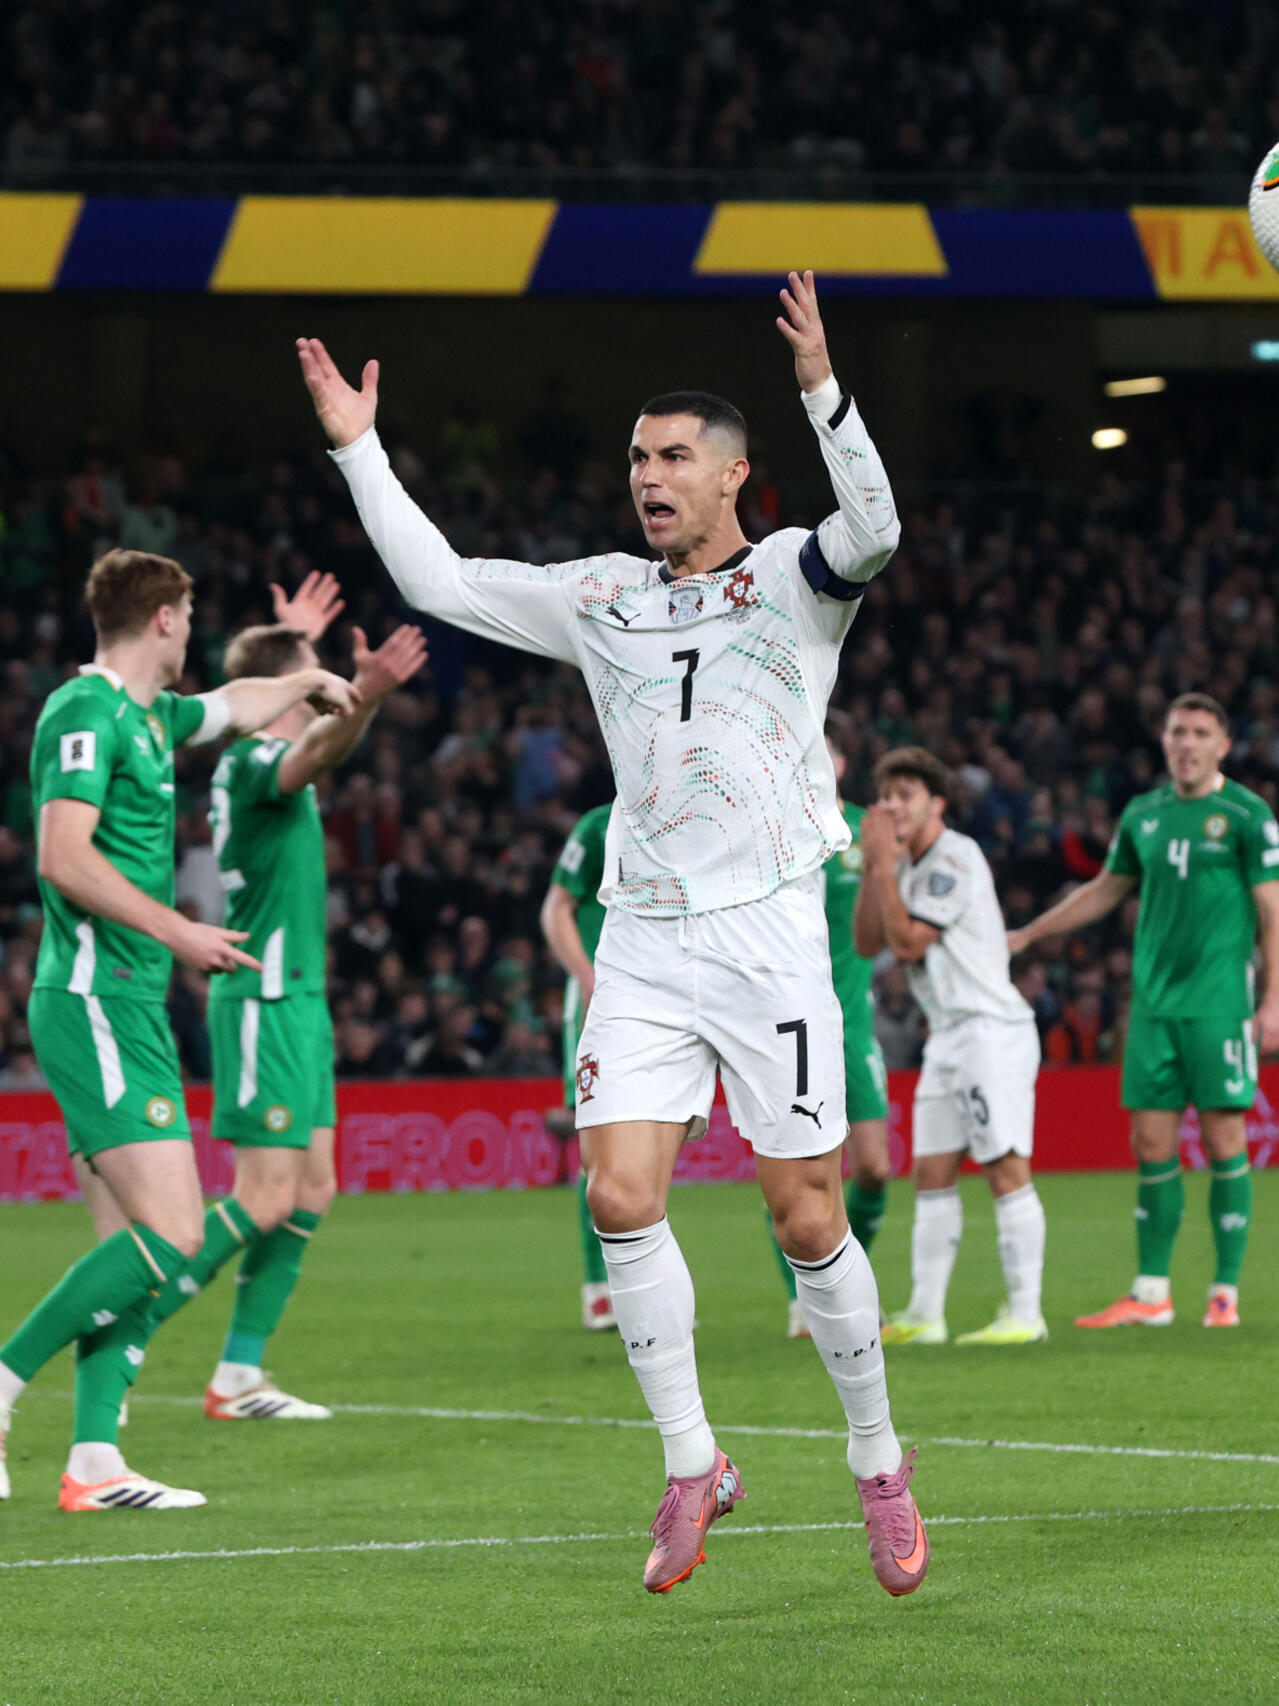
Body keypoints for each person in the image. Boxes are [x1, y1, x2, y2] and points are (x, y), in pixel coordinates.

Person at [297, 268, 929, 1600]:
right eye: (637, 457)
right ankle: (693, 1460)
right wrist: (359, 448)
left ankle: (876, 1459)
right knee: (619, 1196)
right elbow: (438, 578)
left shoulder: (792, 576)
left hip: (768, 934)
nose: (647, 476)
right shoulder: (598, 596)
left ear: (732, 475)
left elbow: (873, 526)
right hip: (642, 936)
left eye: (672, 457)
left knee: (805, 1212)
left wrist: (822, 386)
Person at [0, 548, 359, 1510]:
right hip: (94, 999)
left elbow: (235, 702)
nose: (194, 634)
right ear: (163, 616)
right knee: (173, 1230)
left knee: (129, 1249)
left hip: (126, 1003)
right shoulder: (84, 712)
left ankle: (94, 1461)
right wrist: (177, 930)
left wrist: (306, 677)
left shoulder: (152, 717)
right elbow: (62, 856)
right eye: (189, 617)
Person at [145, 572, 426, 1416]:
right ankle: (118, 1335)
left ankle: (238, 1374)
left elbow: (312, 734)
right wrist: (366, 696)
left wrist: (293, 637)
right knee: (262, 1197)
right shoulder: (252, 761)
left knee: (310, 1193)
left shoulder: (269, 757)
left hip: (299, 1002)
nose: (326, 680)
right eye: (311, 672)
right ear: (284, 690)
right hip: (261, 1003)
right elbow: (316, 752)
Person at [1009, 693, 1279, 1328]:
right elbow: (1106, 890)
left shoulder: (1247, 815)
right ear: (1164, 741)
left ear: (1223, 745)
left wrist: (1273, 1000)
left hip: (1219, 1005)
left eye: (1201, 733)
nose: (1187, 743)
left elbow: (1273, 912)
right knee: (1150, 1142)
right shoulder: (1144, 814)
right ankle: (1152, 1292)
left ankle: (1224, 1294)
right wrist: (1030, 933)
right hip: (1154, 1006)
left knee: (1223, 1138)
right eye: (1178, 732)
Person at [856, 748, 1046, 1346]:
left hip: (989, 1029)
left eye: (905, 794)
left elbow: (908, 944)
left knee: (1004, 1165)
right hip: (946, 1035)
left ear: (936, 803)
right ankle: (926, 1314)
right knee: (931, 1172)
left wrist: (885, 869)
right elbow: (866, 943)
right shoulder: (902, 866)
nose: (892, 805)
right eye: (885, 795)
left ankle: (1026, 1314)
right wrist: (874, 866)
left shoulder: (955, 857)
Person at [767, 739, 891, 1339]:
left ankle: (840, 1279)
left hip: (851, 1018)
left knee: (874, 1168)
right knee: (793, 1174)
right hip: (785, 1019)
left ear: (840, 763)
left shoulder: (866, 830)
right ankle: (807, 1299)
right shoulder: (771, 827)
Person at [540, 800, 616, 1331]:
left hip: (661, 1004)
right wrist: (587, 979)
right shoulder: (597, 827)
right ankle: (598, 1290)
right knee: (599, 1147)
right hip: (600, 1004)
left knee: (650, 1148)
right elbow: (556, 907)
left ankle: (636, 1284)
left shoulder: (679, 814)